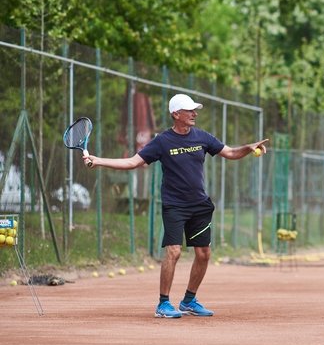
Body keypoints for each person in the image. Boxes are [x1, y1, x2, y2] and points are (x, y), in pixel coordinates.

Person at [83, 93, 269, 318]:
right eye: (189, 110)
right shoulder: (162, 141)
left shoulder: (202, 137)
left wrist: (248, 148)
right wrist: (99, 160)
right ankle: (163, 304)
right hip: (175, 206)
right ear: (176, 114)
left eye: (194, 110)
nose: (194, 113)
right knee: (174, 252)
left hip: (200, 205)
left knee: (204, 254)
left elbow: (229, 152)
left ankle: (189, 301)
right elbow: (133, 162)